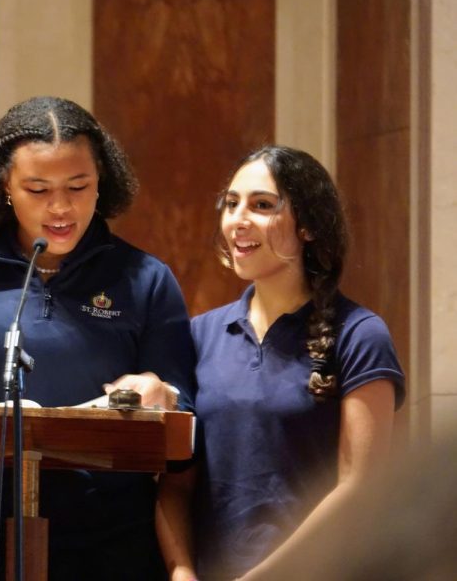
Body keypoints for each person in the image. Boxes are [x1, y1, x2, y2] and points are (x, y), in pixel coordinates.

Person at [0, 96, 196, 580]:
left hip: (109, 546)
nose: (61, 208)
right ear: (4, 186)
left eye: (78, 186)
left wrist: (164, 394)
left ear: (101, 180)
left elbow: (188, 416)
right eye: (38, 189)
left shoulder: (146, 279)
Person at [156, 145, 406, 581]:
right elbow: (176, 484)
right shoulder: (199, 335)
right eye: (231, 204)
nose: (238, 219)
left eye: (262, 205)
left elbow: (360, 487)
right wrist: (181, 572)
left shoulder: (360, 334)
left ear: (307, 226)